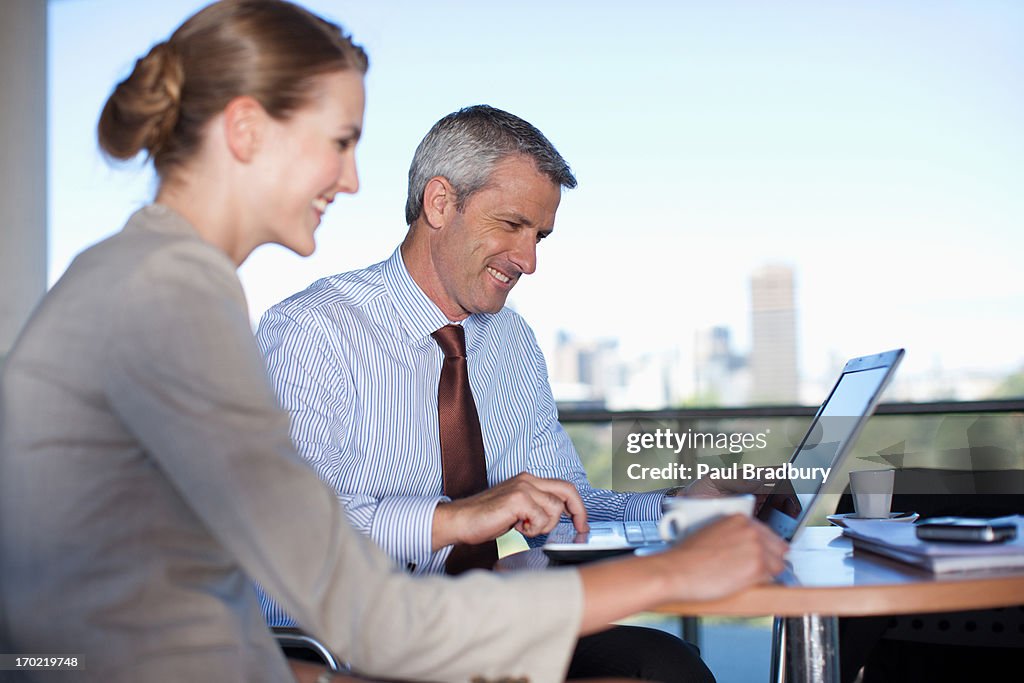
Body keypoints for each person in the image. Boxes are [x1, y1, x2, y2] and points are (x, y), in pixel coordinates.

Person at [0, 2, 787, 682]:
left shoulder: (154, 272)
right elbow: (360, 606)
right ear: (245, 130)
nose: (350, 180)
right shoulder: (175, 294)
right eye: (339, 141)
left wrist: (678, 514)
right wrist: (672, 574)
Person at [254, 105, 757, 681]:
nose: (530, 261)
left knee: (666, 665)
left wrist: (682, 508)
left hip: (472, 626)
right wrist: (461, 517)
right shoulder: (312, 330)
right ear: (440, 203)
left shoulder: (509, 340)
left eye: (539, 236)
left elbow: (566, 507)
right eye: (512, 226)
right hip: (344, 645)